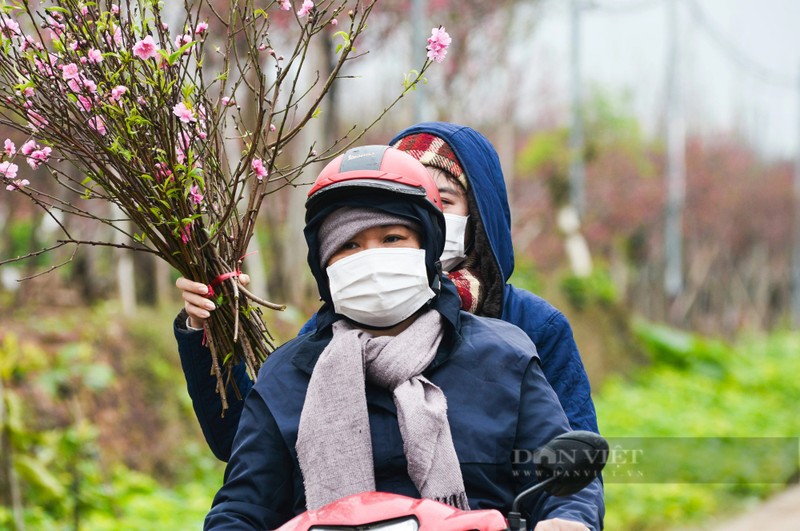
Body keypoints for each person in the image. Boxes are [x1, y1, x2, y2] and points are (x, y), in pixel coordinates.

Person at [199, 145, 603, 530]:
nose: (371, 258)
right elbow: (243, 506)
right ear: (323, 265)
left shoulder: (505, 357)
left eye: (392, 238)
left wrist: (568, 519)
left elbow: (566, 487)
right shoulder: (288, 376)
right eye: (348, 245)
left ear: (427, 249)